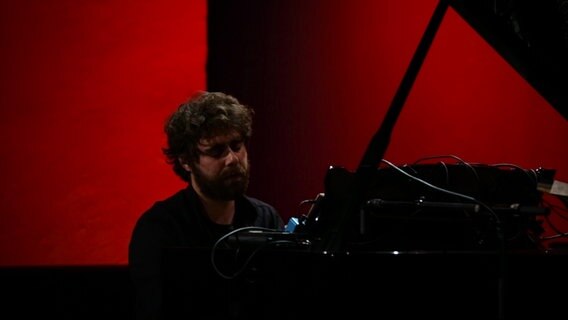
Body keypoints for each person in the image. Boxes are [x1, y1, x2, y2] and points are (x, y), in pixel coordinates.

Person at [128, 91, 284, 320]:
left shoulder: (265, 219)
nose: (232, 159)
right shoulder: (159, 228)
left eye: (236, 146)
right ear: (186, 161)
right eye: (216, 151)